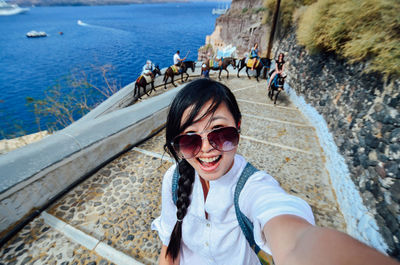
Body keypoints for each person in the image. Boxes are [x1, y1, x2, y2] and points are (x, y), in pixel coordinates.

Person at [152, 78, 400, 265]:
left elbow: (295, 238)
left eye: (220, 133)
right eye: (189, 139)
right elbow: (170, 246)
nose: (206, 149)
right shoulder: (173, 180)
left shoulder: (253, 187)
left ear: (238, 127)